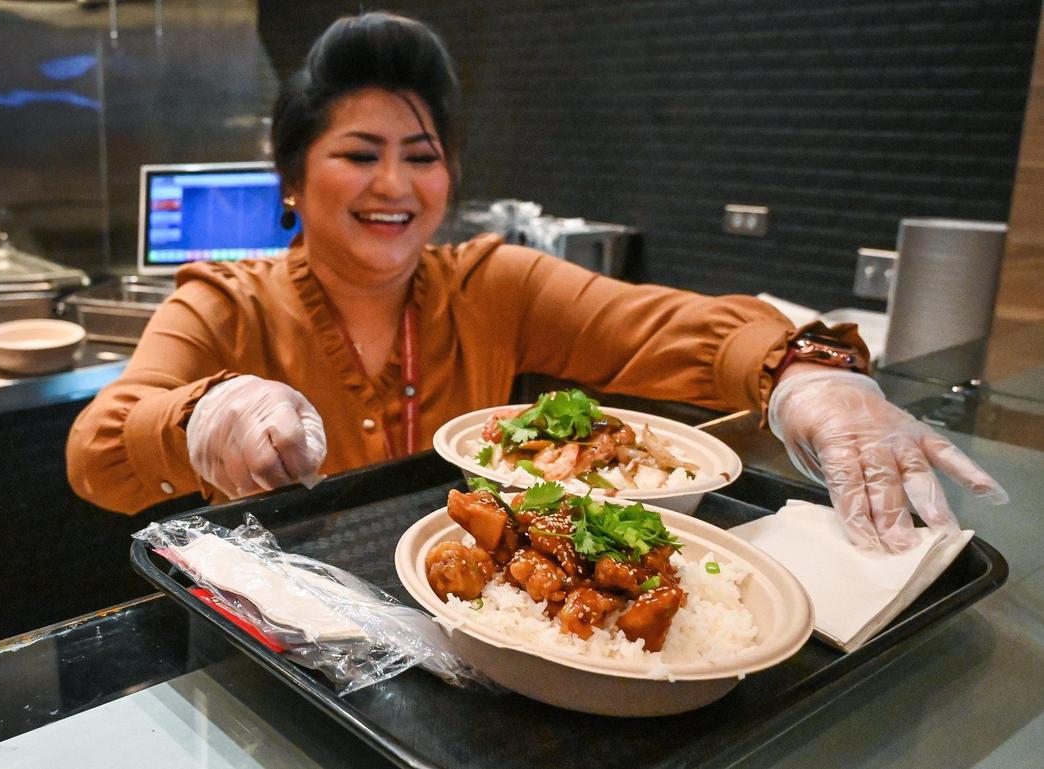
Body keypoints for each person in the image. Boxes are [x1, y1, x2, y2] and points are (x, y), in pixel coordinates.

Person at [66, 12, 1006, 552]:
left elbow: (665, 325)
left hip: (472, 621)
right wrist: (202, 419)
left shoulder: (491, 284)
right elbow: (97, 453)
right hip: (277, 641)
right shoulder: (224, 300)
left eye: (422, 156)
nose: (395, 185)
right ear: (291, 179)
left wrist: (804, 373)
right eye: (359, 153)